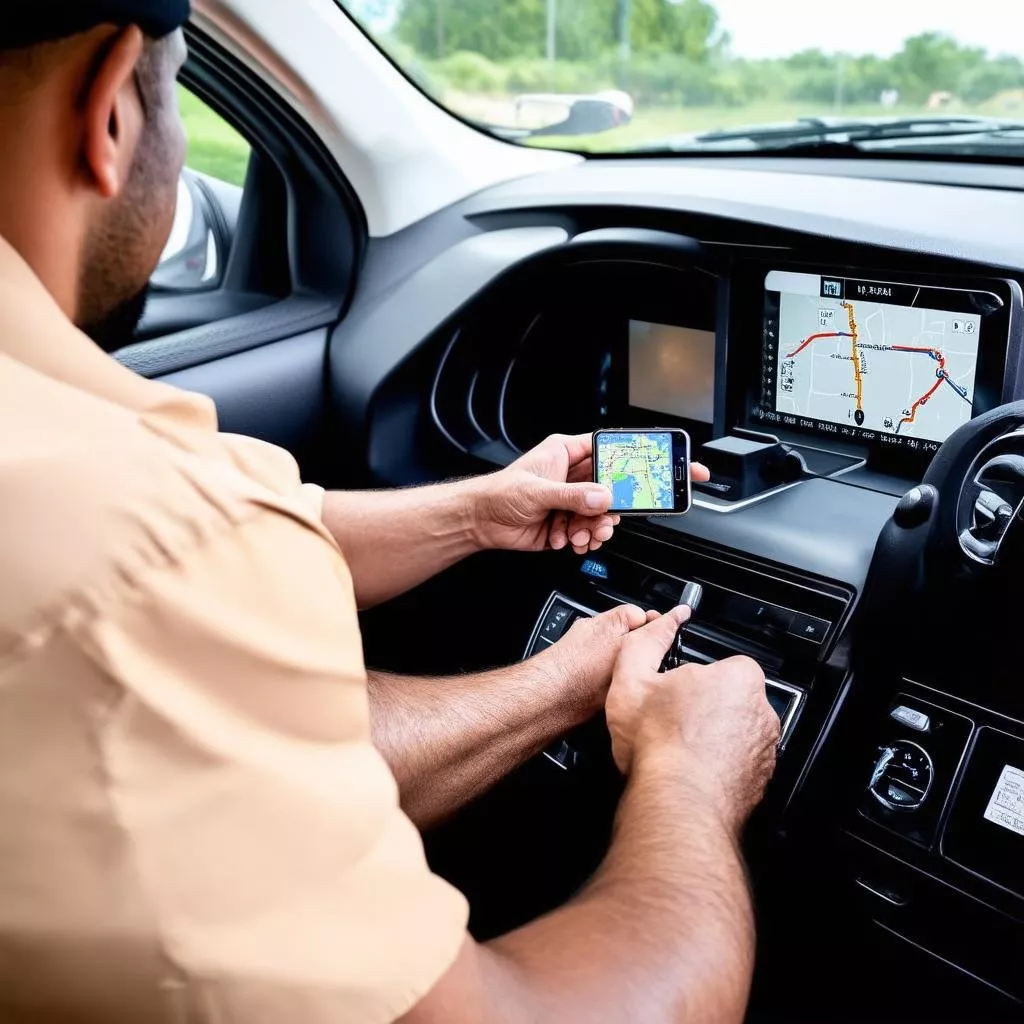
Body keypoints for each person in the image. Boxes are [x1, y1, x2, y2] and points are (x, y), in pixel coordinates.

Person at [0, 2, 781, 1022]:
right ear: (109, 108)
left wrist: (480, 520)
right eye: (179, 97)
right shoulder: (130, 556)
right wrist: (688, 776)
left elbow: (245, 757)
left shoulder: (73, 473)